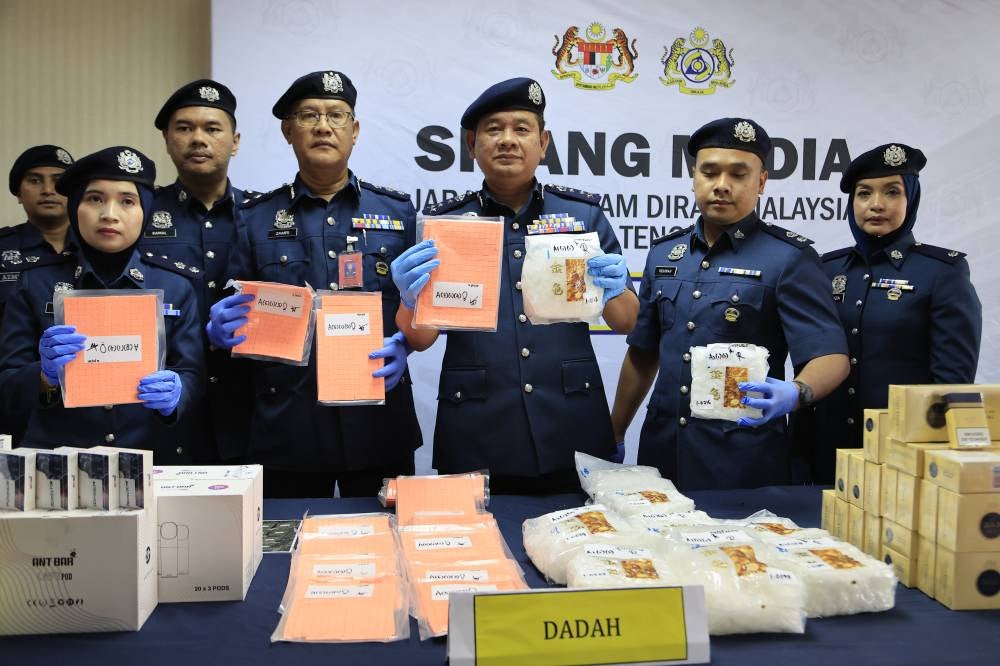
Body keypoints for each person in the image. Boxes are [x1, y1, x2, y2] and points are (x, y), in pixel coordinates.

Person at [391, 77, 638, 493]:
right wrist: (410, 300)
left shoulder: (584, 216)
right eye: (494, 129)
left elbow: (626, 321)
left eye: (521, 129)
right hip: (478, 426)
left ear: (543, 143)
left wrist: (614, 289)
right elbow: (420, 339)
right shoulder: (446, 225)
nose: (508, 139)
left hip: (571, 421)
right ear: (472, 145)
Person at [206, 70, 420, 498]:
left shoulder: (398, 214)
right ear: (288, 131)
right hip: (287, 429)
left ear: (354, 130)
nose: (324, 126)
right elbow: (232, 311)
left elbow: (419, 305)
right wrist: (219, 333)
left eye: (337, 116)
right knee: (286, 553)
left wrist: (407, 343)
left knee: (389, 548)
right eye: (309, 116)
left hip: (377, 421)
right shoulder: (255, 218)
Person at [611, 117, 850, 490]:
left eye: (739, 174)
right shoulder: (664, 254)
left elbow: (831, 355)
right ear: (694, 177)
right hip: (662, 454)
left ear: (761, 182)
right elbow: (643, 354)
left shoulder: (788, 259)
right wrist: (615, 431)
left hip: (743, 459)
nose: (722, 186)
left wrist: (796, 392)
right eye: (710, 172)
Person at [0, 147, 204, 460]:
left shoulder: (174, 285)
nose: (110, 213)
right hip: (59, 463)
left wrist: (178, 394)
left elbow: (192, 372)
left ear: (144, 212)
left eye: (127, 201)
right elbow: (7, 383)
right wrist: (43, 376)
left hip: (153, 458)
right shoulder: (34, 282)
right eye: (94, 199)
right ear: (75, 208)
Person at [801, 143, 981, 483]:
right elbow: (809, 362)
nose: (876, 205)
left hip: (902, 455)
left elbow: (951, 383)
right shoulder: (826, 269)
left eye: (892, 192)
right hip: (828, 453)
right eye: (864, 193)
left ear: (910, 199)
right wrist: (798, 454)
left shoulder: (943, 272)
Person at [142, 79, 253, 463]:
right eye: (185, 128)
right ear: (167, 139)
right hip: (165, 411)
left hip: (249, 409)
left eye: (212, 128)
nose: (198, 139)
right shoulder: (138, 214)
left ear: (235, 141)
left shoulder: (262, 216)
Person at [2, 145, 77, 322]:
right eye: (35, 180)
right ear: (18, 193)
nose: (48, 190)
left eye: (58, 181)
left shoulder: (99, 248)